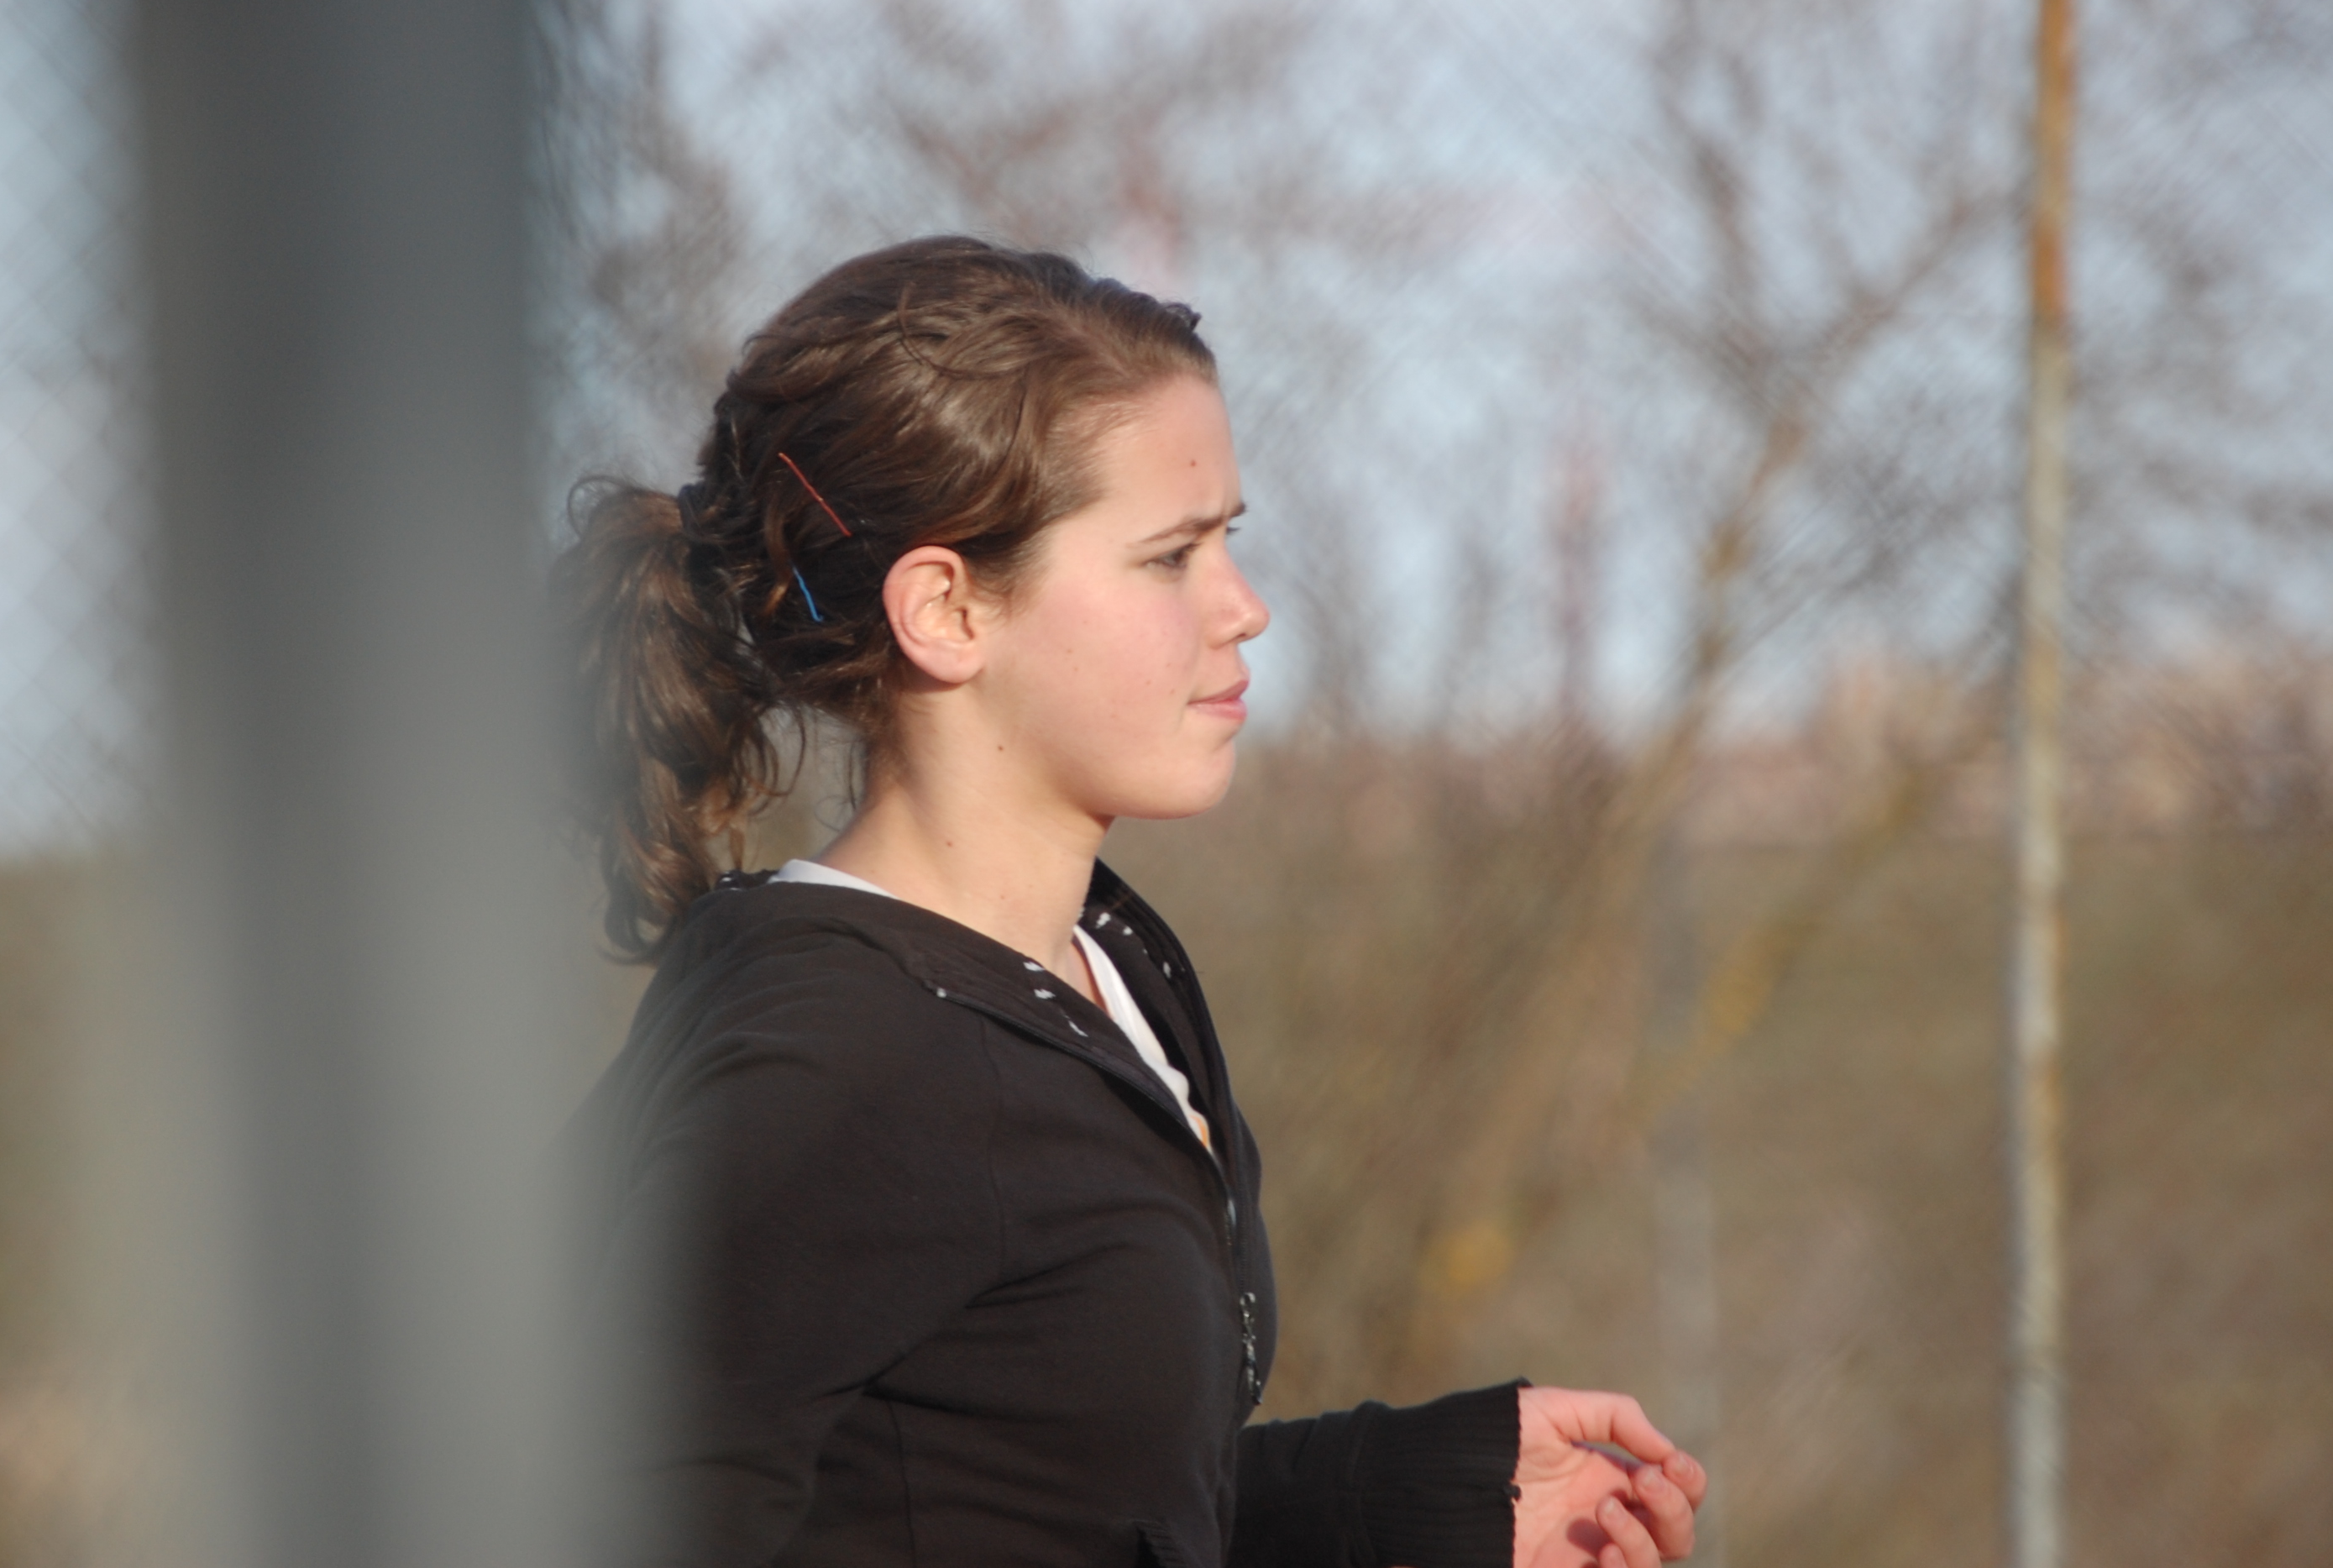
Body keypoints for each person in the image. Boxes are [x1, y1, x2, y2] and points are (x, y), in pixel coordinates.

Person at [558, 237, 1708, 1568]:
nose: (1246, 608)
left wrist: (1408, 1495)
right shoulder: (843, 1066)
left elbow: (1045, 1490)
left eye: (1229, 540)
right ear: (945, 611)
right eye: (1170, 558)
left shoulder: (1103, 969)